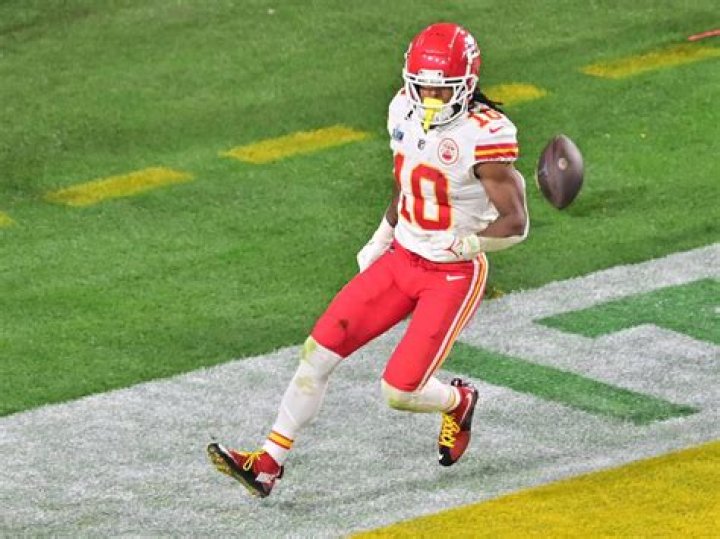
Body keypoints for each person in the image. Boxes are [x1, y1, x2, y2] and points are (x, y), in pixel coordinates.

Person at [207, 22, 529, 498]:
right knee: (317, 353)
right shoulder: (402, 109)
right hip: (402, 258)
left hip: (452, 274)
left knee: (399, 391)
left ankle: (458, 401)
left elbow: (516, 224)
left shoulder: (485, 135)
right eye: (423, 85)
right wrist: (382, 235)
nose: (431, 97)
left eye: (442, 87)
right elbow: (406, 184)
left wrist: (468, 245)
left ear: (467, 84)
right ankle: (268, 463)